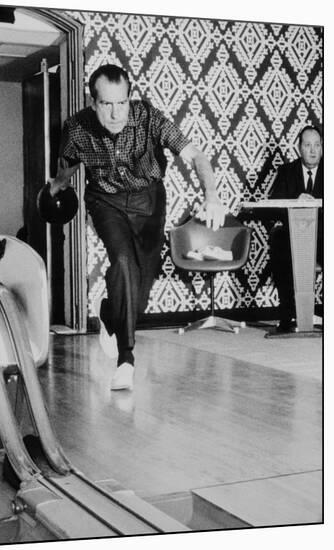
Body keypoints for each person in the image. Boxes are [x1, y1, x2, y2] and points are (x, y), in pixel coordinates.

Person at [47, 64, 225, 390]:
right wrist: (56, 187)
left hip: (149, 203)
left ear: (130, 98)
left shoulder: (148, 118)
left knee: (139, 292)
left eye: (122, 102)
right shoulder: (76, 128)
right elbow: (67, 167)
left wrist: (211, 196)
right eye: (106, 104)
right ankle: (126, 360)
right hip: (106, 202)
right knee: (123, 261)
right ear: (93, 101)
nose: (116, 113)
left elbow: (196, 155)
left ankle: (108, 312)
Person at [269, 125, 323, 332]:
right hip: (294, 236)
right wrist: (295, 200)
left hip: (323, 236)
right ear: (299, 148)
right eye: (308, 145)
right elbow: (274, 203)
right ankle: (286, 316)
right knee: (279, 240)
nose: (313, 150)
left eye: (317, 145)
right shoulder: (287, 171)